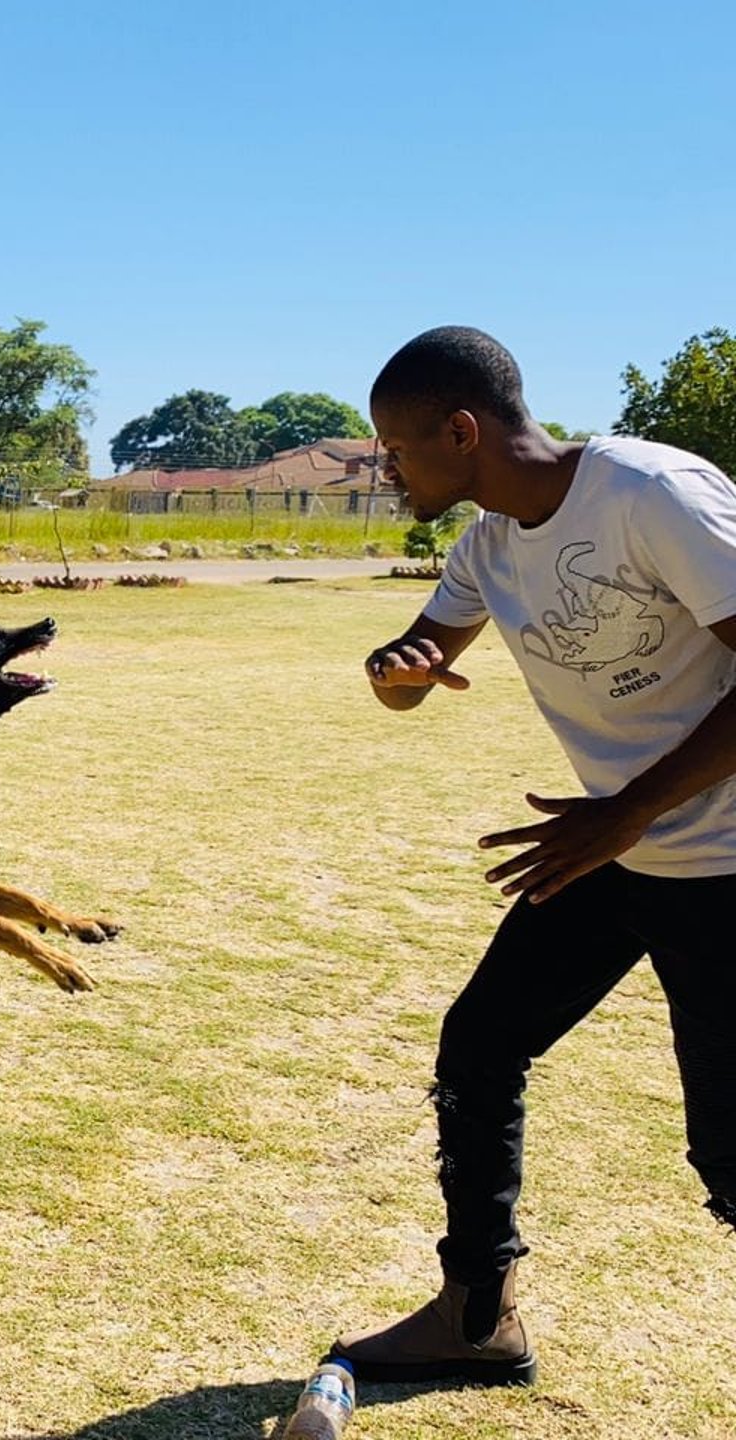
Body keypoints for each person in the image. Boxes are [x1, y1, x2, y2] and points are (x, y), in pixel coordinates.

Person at [329, 327, 736, 1384]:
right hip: (610, 848)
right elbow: (416, 658)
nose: (388, 472)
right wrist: (399, 671)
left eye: (396, 450)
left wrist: (627, 814)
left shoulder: (651, 495)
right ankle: (477, 1319)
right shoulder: (488, 547)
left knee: (731, 1154)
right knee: (480, 1046)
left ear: (461, 431)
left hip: (721, 864)